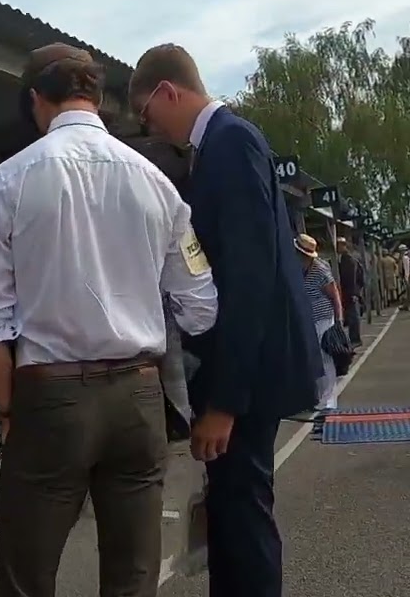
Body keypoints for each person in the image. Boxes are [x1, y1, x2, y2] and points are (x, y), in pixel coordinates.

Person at [0, 43, 218, 597]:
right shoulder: (157, 183)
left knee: (27, 575)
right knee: (133, 577)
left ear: (36, 101)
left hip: (50, 397)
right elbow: (200, 307)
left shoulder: (10, 179)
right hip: (139, 398)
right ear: (97, 98)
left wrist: (9, 409)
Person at [129, 43, 323, 597]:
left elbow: (248, 277)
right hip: (252, 372)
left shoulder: (230, 143)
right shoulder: (225, 144)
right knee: (234, 512)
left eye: (148, 114)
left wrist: (224, 403)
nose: (152, 128)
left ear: (170, 92)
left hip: (250, 380)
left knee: (242, 517)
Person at [296, 234, 343, 409]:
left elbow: (334, 294)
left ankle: (329, 399)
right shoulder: (300, 269)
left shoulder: (320, 269)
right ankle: (318, 396)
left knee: (325, 358)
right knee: (313, 358)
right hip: (308, 319)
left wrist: (338, 320)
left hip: (323, 318)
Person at [335, 238, 363, 346]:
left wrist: (354, 293)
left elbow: (351, 278)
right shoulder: (346, 258)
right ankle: (354, 338)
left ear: (343, 245)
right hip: (350, 290)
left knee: (353, 315)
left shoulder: (348, 260)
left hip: (350, 291)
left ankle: (355, 339)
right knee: (352, 315)